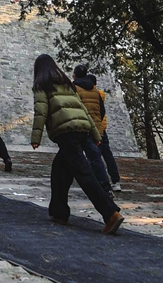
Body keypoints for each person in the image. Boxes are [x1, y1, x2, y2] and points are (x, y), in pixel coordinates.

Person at [30, 54, 123, 235]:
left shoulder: (42, 85)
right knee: (59, 170)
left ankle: (110, 213)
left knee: (84, 173)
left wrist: (36, 138)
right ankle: (59, 213)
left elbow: (40, 111)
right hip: (81, 130)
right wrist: (95, 134)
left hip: (67, 133)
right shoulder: (67, 84)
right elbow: (83, 110)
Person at [73, 65, 118, 193]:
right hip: (96, 128)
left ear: (74, 75)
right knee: (96, 158)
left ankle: (92, 185)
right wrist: (97, 123)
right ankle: (105, 186)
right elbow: (102, 110)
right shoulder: (96, 92)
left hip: (80, 127)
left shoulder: (73, 88)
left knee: (73, 156)